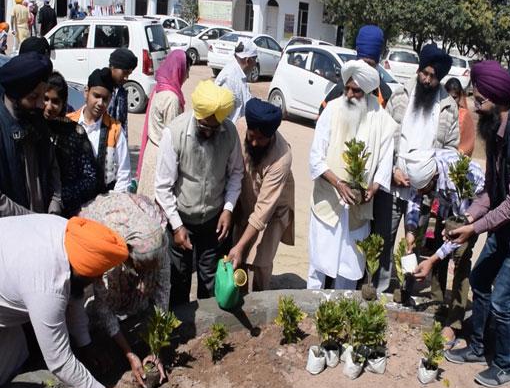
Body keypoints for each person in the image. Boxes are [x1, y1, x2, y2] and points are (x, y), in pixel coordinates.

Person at [444, 61, 510, 388]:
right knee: (480, 278)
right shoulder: (493, 130)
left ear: (499, 99)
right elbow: (492, 190)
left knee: (503, 299)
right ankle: (477, 348)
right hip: (504, 226)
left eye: (480, 99)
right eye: (474, 96)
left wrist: (474, 230)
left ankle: (504, 366)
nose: (475, 103)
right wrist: (470, 216)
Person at [0, 214, 130, 388]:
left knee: (15, 354)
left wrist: (85, 344)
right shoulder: (46, 285)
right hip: (17, 272)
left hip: (10, 267)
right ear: (81, 270)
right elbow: (58, 361)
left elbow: (73, 295)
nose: (98, 280)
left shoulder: (70, 238)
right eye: (95, 276)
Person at [374, 43, 458, 294]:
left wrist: (433, 177)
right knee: (384, 239)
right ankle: (379, 290)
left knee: (414, 243)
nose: (427, 79)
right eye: (425, 73)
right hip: (393, 184)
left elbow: (452, 151)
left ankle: (405, 291)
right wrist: (391, 171)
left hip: (424, 193)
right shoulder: (400, 95)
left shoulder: (448, 107)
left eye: (433, 77)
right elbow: (384, 138)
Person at [307, 60, 396, 289]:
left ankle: (341, 315)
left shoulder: (382, 120)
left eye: (355, 90)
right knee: (318, 264)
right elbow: (316, 157)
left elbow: (385, 161)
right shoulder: (332, 110)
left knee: (349, 267)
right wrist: (338, 183)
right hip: (328, 203)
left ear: (366, 92)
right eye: (346, 88)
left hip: (358, 207)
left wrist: (374, 188)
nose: (348, 94)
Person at [155, 80, 243, 304]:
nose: (210, 131)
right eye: (205, 126)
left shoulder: (229, 133)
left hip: (214, 221)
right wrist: (176, 226)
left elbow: (235, 174)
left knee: (211, 279)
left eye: (215, 127)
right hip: (181, 219)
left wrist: (228, 209)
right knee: (179, 278)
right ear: (197, 115)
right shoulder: (174, 133)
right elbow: (163, 187)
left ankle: (210, 331)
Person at [75, 192, 170, 388]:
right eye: (141, 269)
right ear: (129, 259)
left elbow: (162, 293)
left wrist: (156, 348)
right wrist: (130, 354)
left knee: (144, 291)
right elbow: (104, 308)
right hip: (100, 232)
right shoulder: (108, 252)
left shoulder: (156, 242)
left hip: (133, 236)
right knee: (93, 309)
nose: (144, 274)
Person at [399, 148, 484, 346]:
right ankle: (437, 302)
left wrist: (432, 259)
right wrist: (411, 230)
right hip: (448, 206)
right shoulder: (422, 167)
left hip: (472, 209)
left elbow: (457, 235)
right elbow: (414, 199)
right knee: (436, 241)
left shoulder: (457, 179)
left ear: (434, 177)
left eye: (423, 188)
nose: (420, 192)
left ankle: (454, 322)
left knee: (461, 258)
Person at [228, 98, 295, 291]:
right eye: (252, 137)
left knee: (261, 262)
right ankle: (238, 295)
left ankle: (259, 299)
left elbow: (262, 212)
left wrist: (240, 247)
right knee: (237, 254)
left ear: (272, 135)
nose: (255, 143)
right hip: (247, 198)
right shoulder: (240, 127)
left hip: (274, 208)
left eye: (261, 139)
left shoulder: (282, 158)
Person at [0, 52, 62, 217]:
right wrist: (31, 220)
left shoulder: (36, 120)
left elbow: (52, 167)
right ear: (15, 96)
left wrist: (55, 204)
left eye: (44, 96)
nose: (42, 104)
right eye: (34, 97)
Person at [44, 72, 100, 217]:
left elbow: (91, 178)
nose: (49, 107)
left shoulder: (75, 133)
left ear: (63, 103)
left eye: (55, 101)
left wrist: (60, 196)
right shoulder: (32, 129)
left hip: (68, 211)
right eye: (45, 99)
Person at [67, 68, 131, 193]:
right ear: (86, 92)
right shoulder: (68, 123)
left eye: (105, 99)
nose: (100, 103)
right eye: (96, 96)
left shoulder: (115, 129)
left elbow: (124, 175)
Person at [137, 50, 190, 199]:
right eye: (187, 70)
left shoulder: (160, 88)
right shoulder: (172, 98)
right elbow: (173, 138)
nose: (187, 76)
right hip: (161, 158)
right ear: (179, 69)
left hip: (151, 151)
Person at [319, 25, 393, 114]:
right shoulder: (342, 88)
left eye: (370, 65)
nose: (365, 70)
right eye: (364, 63)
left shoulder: (385, 94)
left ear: (377, 64)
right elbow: (322, 114)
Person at [215, 39, 257, 122]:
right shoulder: (230, 78)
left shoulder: (239, 75)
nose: (255, 63)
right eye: (255, 59)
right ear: (248, 60)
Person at [107, 48, 138, 136]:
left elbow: (123, 124)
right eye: (124, 73)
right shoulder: (100, 90)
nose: (126, 78)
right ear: (112, 67)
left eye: (129, 74)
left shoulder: (122, 92)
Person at [444, 78, 475, 156]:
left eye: (454, 98)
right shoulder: (440, 111)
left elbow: (467, 143)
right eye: (449, 97)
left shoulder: (464, 115)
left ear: (460, 96)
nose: (451, 101)